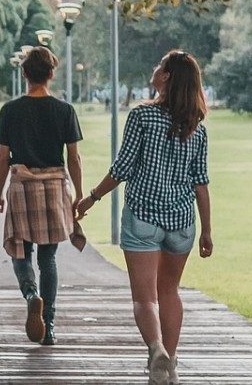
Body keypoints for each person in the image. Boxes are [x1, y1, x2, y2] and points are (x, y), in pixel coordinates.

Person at [77, 50, 213, 385]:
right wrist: (206, 231)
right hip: (181, 221)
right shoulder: (197, 126)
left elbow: (122, 169)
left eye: (159, 67)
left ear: (165, 77)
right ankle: (172, 363)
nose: (154, 69)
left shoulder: (142, 116)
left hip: (142, 218)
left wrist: (91, 198)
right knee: (170, 292)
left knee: (144, 297)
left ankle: (156, 351)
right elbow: (201, 184)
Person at [0, 46, 86, 346]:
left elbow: (2, 157)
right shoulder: (64, 110)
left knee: (19, 251)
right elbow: (74, 157)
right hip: (54, 187)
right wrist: (79, 195)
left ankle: (31, 295)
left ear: (24, 74)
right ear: (51, 74)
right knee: (49, 258)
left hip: (22, 187)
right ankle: (49, 325)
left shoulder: (10, 110)